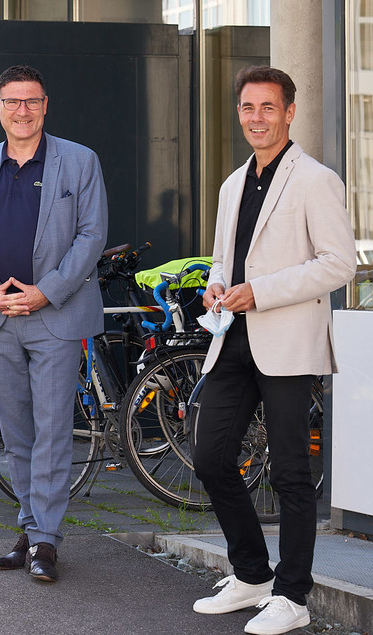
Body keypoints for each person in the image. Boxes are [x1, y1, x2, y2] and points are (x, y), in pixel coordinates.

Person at [192, 66, 355, 635]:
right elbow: (223, 258)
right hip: (231, 339)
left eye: (268, 107)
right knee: (211, 457)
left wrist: (260, 292)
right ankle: (252, 573)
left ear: (289, 112)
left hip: (287, 341)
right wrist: (217, 285)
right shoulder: (232, 184)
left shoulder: (315, 179)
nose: (256, 118)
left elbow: (339, 263)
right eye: (247, 108)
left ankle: (293, 595)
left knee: (289, 473)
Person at [0, 64, 108, 583]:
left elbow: (91, 237)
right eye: (12, 102)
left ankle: (45, 541)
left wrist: (46, 292)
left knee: (52, 432)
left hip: (55, 317)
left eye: (32, 101)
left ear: (46, 105)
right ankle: (30, 527)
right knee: (16, 432)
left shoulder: (80, 162)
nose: (23, 110)